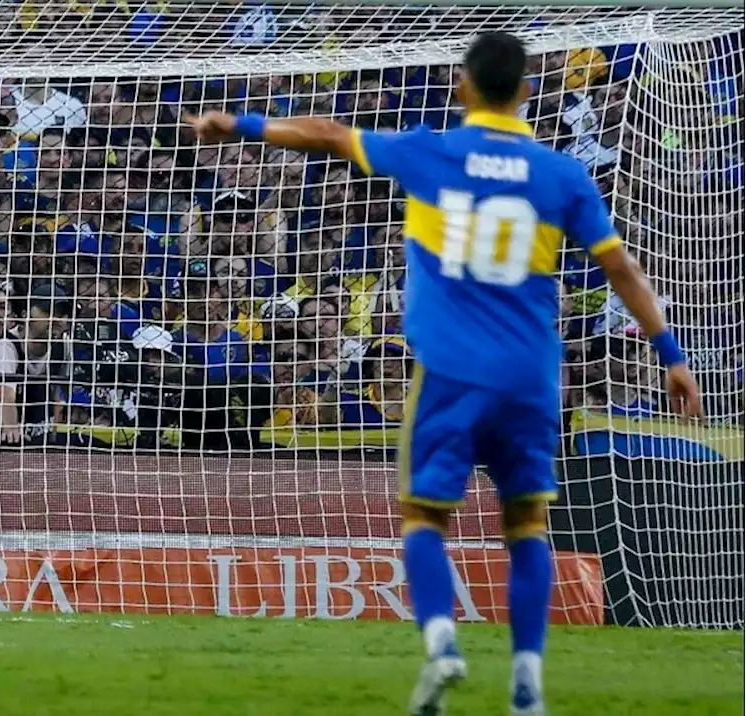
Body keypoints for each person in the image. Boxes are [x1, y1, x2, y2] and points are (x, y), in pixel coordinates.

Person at [187, 32, 702, 716]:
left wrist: (240, 125)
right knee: (526, 527)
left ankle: (442, 647)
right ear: (525, 92)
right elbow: (622, 269)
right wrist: (671, 357)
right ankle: (526, 683)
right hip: (530, 377)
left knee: (425, 516)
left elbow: (329, 134)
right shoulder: (562, 175)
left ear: (462, 86)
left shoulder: (430, 151)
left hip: (452, 371)